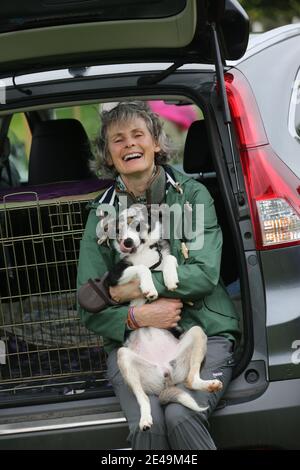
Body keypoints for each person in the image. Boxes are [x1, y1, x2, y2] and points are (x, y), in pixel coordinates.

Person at [77, 101, 240, 450]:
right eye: (118, 140)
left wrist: (126, 290)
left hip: (202, 332)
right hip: (138, 346)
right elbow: (88, 302)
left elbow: (204, 275)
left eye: (138, 134)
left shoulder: (192, 196)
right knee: (148, 427)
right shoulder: (100, 215)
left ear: (156, 143)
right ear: (108, 155)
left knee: (182, 414)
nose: (130, 144)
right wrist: (136, 315)